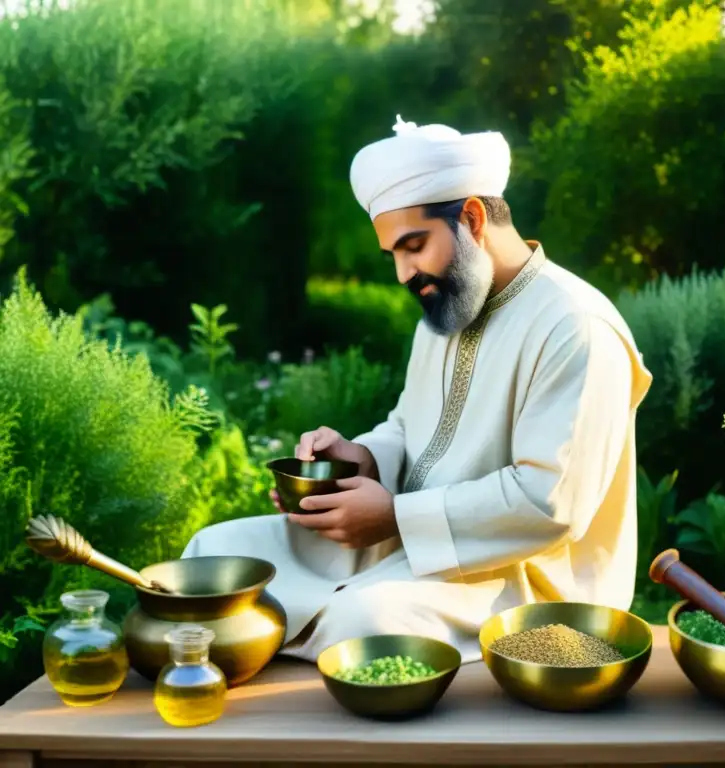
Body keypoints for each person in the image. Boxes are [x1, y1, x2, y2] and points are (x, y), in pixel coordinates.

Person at [181, 116, 653, 664]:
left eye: (414, 245)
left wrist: (396, 517)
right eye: (395, 255)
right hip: (410, 543)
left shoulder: (576, 326)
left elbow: (550, 505)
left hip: (523, 581)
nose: (404, 273)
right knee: (214, 552)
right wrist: (361, 459)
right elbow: (411, 426)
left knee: (365, 619)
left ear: (472, 217)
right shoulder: (448, 307)